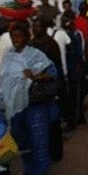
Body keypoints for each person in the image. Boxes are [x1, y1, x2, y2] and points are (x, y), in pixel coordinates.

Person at [0, 21, 58, 175]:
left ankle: (40, 173)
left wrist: (36, 76)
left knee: (38, 138)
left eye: (19, 36)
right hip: (15, 106)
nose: (16, 40)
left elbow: (52, 72)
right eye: (13, 36)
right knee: (21, 139)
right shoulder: (9, 57)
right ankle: (28, 169)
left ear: (26, 37)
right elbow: (2, 79)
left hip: (34, 105)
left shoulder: (36, 55)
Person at [29, 17, 64, 162]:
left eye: (38, 26)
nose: (35, 29)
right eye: (34, 26)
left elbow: (57, 66)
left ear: (44, 28)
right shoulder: (31, 44)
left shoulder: (51, 44)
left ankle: (56, 153)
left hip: (50, 87)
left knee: (53, 120)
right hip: (36, 88)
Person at [60, 13, 84, 131]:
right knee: (73, 94)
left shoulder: (73, 35)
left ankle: (73, 121)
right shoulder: (71, 34)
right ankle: (78, 117)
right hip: (71, 68)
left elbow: (78, 52)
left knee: (73, 95)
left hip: (73, 68)